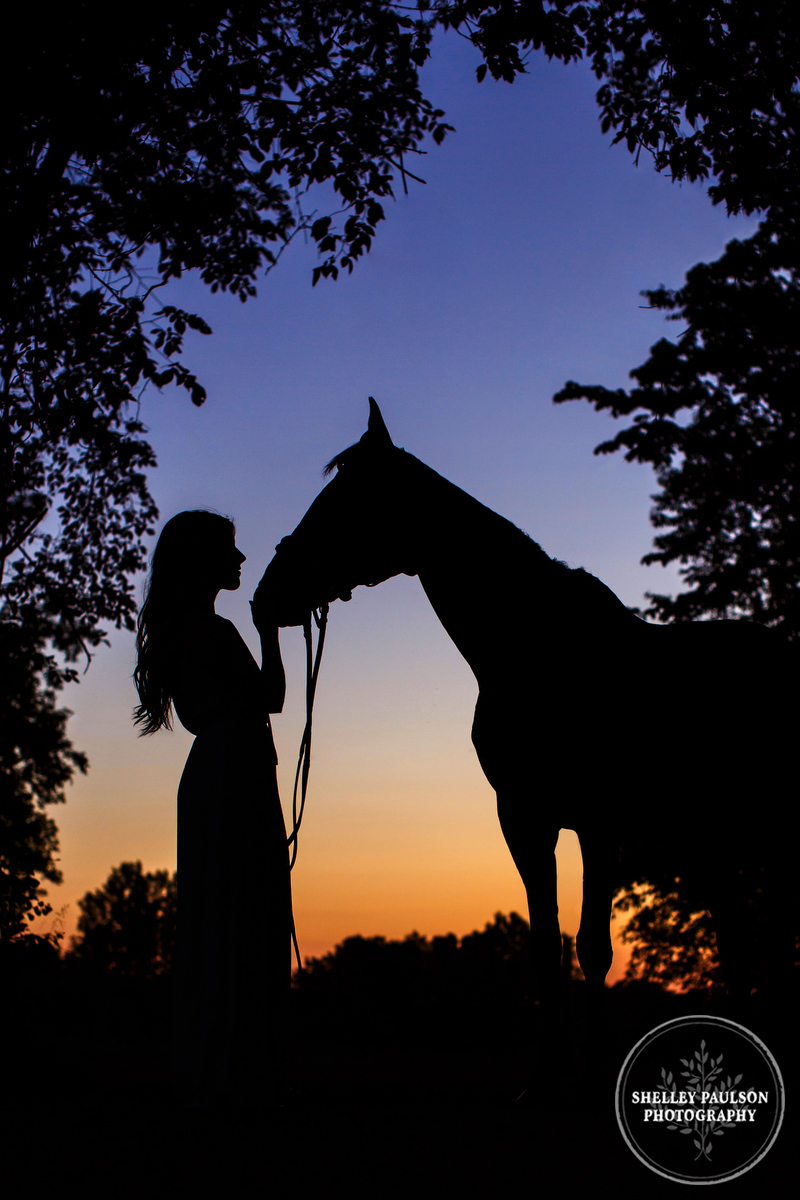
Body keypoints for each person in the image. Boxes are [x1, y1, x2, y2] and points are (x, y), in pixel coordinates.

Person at [133, 509, 290, 1109]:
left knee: (215, 913)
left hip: (214, 766)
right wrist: (271, 630)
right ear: (204, 560)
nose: (241, 559)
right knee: (246, 907)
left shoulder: (179, 629)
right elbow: (270, 697)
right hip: (236, 765)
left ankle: (215, 1060)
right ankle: (244, 1068)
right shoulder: (213, 631)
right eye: (229, 549)